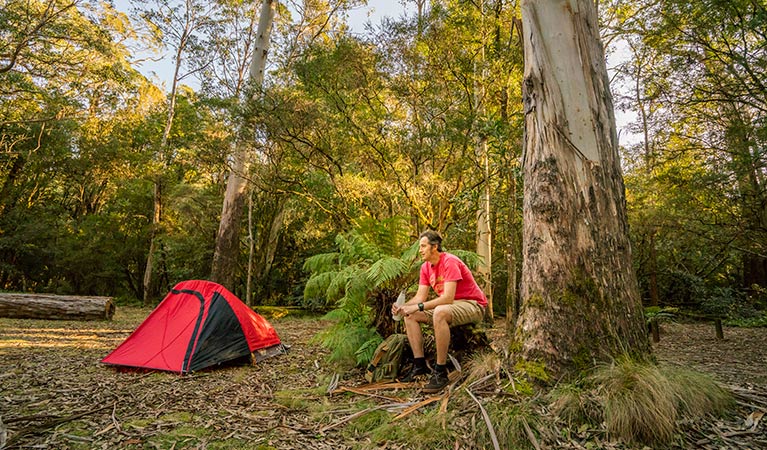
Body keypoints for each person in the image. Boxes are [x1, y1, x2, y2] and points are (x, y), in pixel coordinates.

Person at [391, 230, 487, 393]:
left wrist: (419, 306)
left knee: (439, 312)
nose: (420, 250)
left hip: (472, 304)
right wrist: (404, 307)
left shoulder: (449, 261)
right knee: (410, 316)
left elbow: (447, 298)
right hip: (452, 306)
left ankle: (440, 371)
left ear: (434, 247)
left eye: (423, 246)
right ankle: (419, 365)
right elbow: (420, 297)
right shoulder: (425, 268)